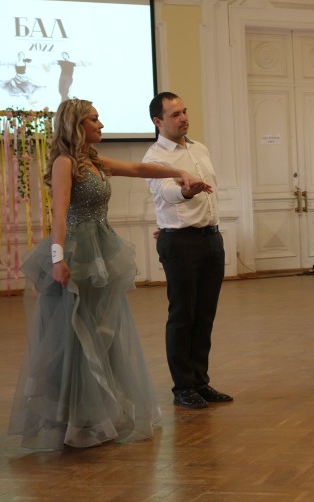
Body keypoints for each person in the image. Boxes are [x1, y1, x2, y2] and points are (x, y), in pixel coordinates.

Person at [7, 99, 207, 450]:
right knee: (77, 334)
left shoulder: (94, 161)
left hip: (101, 249)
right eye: (94, 119)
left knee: (102, 332)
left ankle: (97, 413)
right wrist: (57, 258)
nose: (101, 125)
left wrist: (178, 172)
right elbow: (59, 213)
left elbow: (138, 169)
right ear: (76, 125)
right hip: (78, 253)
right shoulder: (65, 162)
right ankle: (74, 417)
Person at [143, 92, 232, 409]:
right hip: (180, 242)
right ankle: (182, 387)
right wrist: (185, 191)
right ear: (158, 121)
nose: (183, 118)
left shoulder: (199, 149)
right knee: (182, 315)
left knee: (205, 315)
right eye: (175, 114)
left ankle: (199, 381)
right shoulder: (154, 158)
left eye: (184, 111)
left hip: (211, 239)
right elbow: (166, 192)